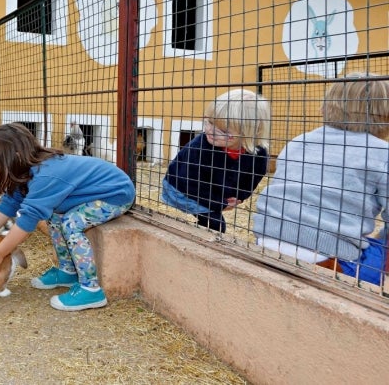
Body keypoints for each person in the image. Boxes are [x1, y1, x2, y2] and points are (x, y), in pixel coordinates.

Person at [0, 123, 135, 311]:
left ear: (14, 158)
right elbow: (7, 205)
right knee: (55, 218)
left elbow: (27, 221)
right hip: (89, 195)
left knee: (71, 224)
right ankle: (67, 272)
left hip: (114, 194)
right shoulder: (26, 171)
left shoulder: (46, 175)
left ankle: (91, 290)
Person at [253, 72, 389, 285]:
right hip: (326, 256)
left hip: (267, 239)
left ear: (329, 103)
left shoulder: (300, 141)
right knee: (380, 250)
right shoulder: (383, 152)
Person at [162, 89, 271, 232]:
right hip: (180, 189)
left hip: (212, 190)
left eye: (224, 131)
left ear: (249, 132)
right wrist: (219, 203)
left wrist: (239, 197)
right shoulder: (200, 146)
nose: (210, 131)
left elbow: (253, 178)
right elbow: (191, 183)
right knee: (216, 225)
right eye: (210, 122)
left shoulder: (258, 153)